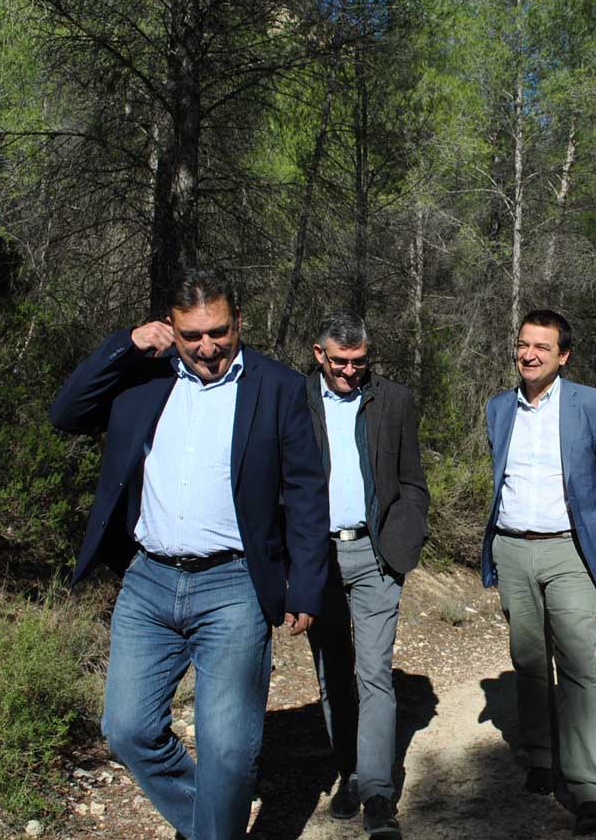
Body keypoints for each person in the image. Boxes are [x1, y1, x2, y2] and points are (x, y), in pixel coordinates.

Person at [49, 269, 330, 840]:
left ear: (238, 322)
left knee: (228, 750)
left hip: (232, 587)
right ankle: (213, 822)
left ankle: (216, 821)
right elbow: (66, 414)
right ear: (169, 330)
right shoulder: (142, 378)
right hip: (148, 581)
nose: (208, 348)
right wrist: (126, 345)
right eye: (192, 335)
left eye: (219, 332)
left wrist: (305, 585)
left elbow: (305, 490)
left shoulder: (275, 386)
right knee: (127, 729)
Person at [481, 309, 596, 836]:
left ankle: (588, 789)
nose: (530, 354)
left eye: (542, 346)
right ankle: (542, 757)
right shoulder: (499, 408)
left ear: (563, 355)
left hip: (570, 552)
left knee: (578, 665)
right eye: (523, 344)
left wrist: (593, 512)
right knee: (529, 660)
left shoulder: (590, 403)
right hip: (514, 549)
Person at [304, 312, 429, 840]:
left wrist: (400, 542)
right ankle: (349, 775)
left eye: (359, 362)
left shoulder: (393, 400)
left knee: (374, 673)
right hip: (317, 559)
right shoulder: (295, 399)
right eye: (340, 362)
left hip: (375, 557)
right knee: (333, 672)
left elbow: (412, 483)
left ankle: (377, 792)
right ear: (319, 355)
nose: (350, 373)